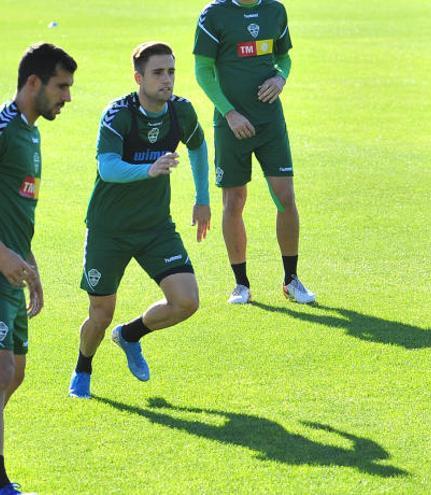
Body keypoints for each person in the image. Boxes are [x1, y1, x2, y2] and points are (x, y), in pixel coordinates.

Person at [68, 42, 209, 399]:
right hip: (108, 230)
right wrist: (149, 169)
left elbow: (198, 146)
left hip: (155, 228)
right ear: (138, 78)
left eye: (171, 72)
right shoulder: (119, 115)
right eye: (158, 73)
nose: (167, 80)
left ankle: (130, 335)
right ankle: (83, 367)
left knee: (186, 302)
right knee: (100, 314)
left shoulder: (181, 112)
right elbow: (107, 167)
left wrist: (202, 199)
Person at [193, 0, 315, 305]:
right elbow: (203, 71)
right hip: (231, 124)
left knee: (285, 196)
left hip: (270, 121)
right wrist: (229, 113)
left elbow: (283, 58)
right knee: (234, 200)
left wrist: (280, 78)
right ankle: (241, 284)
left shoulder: (275, 10)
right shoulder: (214, 15)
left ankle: (291, 280)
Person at [0, 43, 76, 495]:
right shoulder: (5, 130)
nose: (67, 97)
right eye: (61, 86)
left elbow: (17, 206)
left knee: (16, 374)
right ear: (33, 83)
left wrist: (30, 265)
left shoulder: (32, 134)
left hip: (12, 274)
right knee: (2, 373)